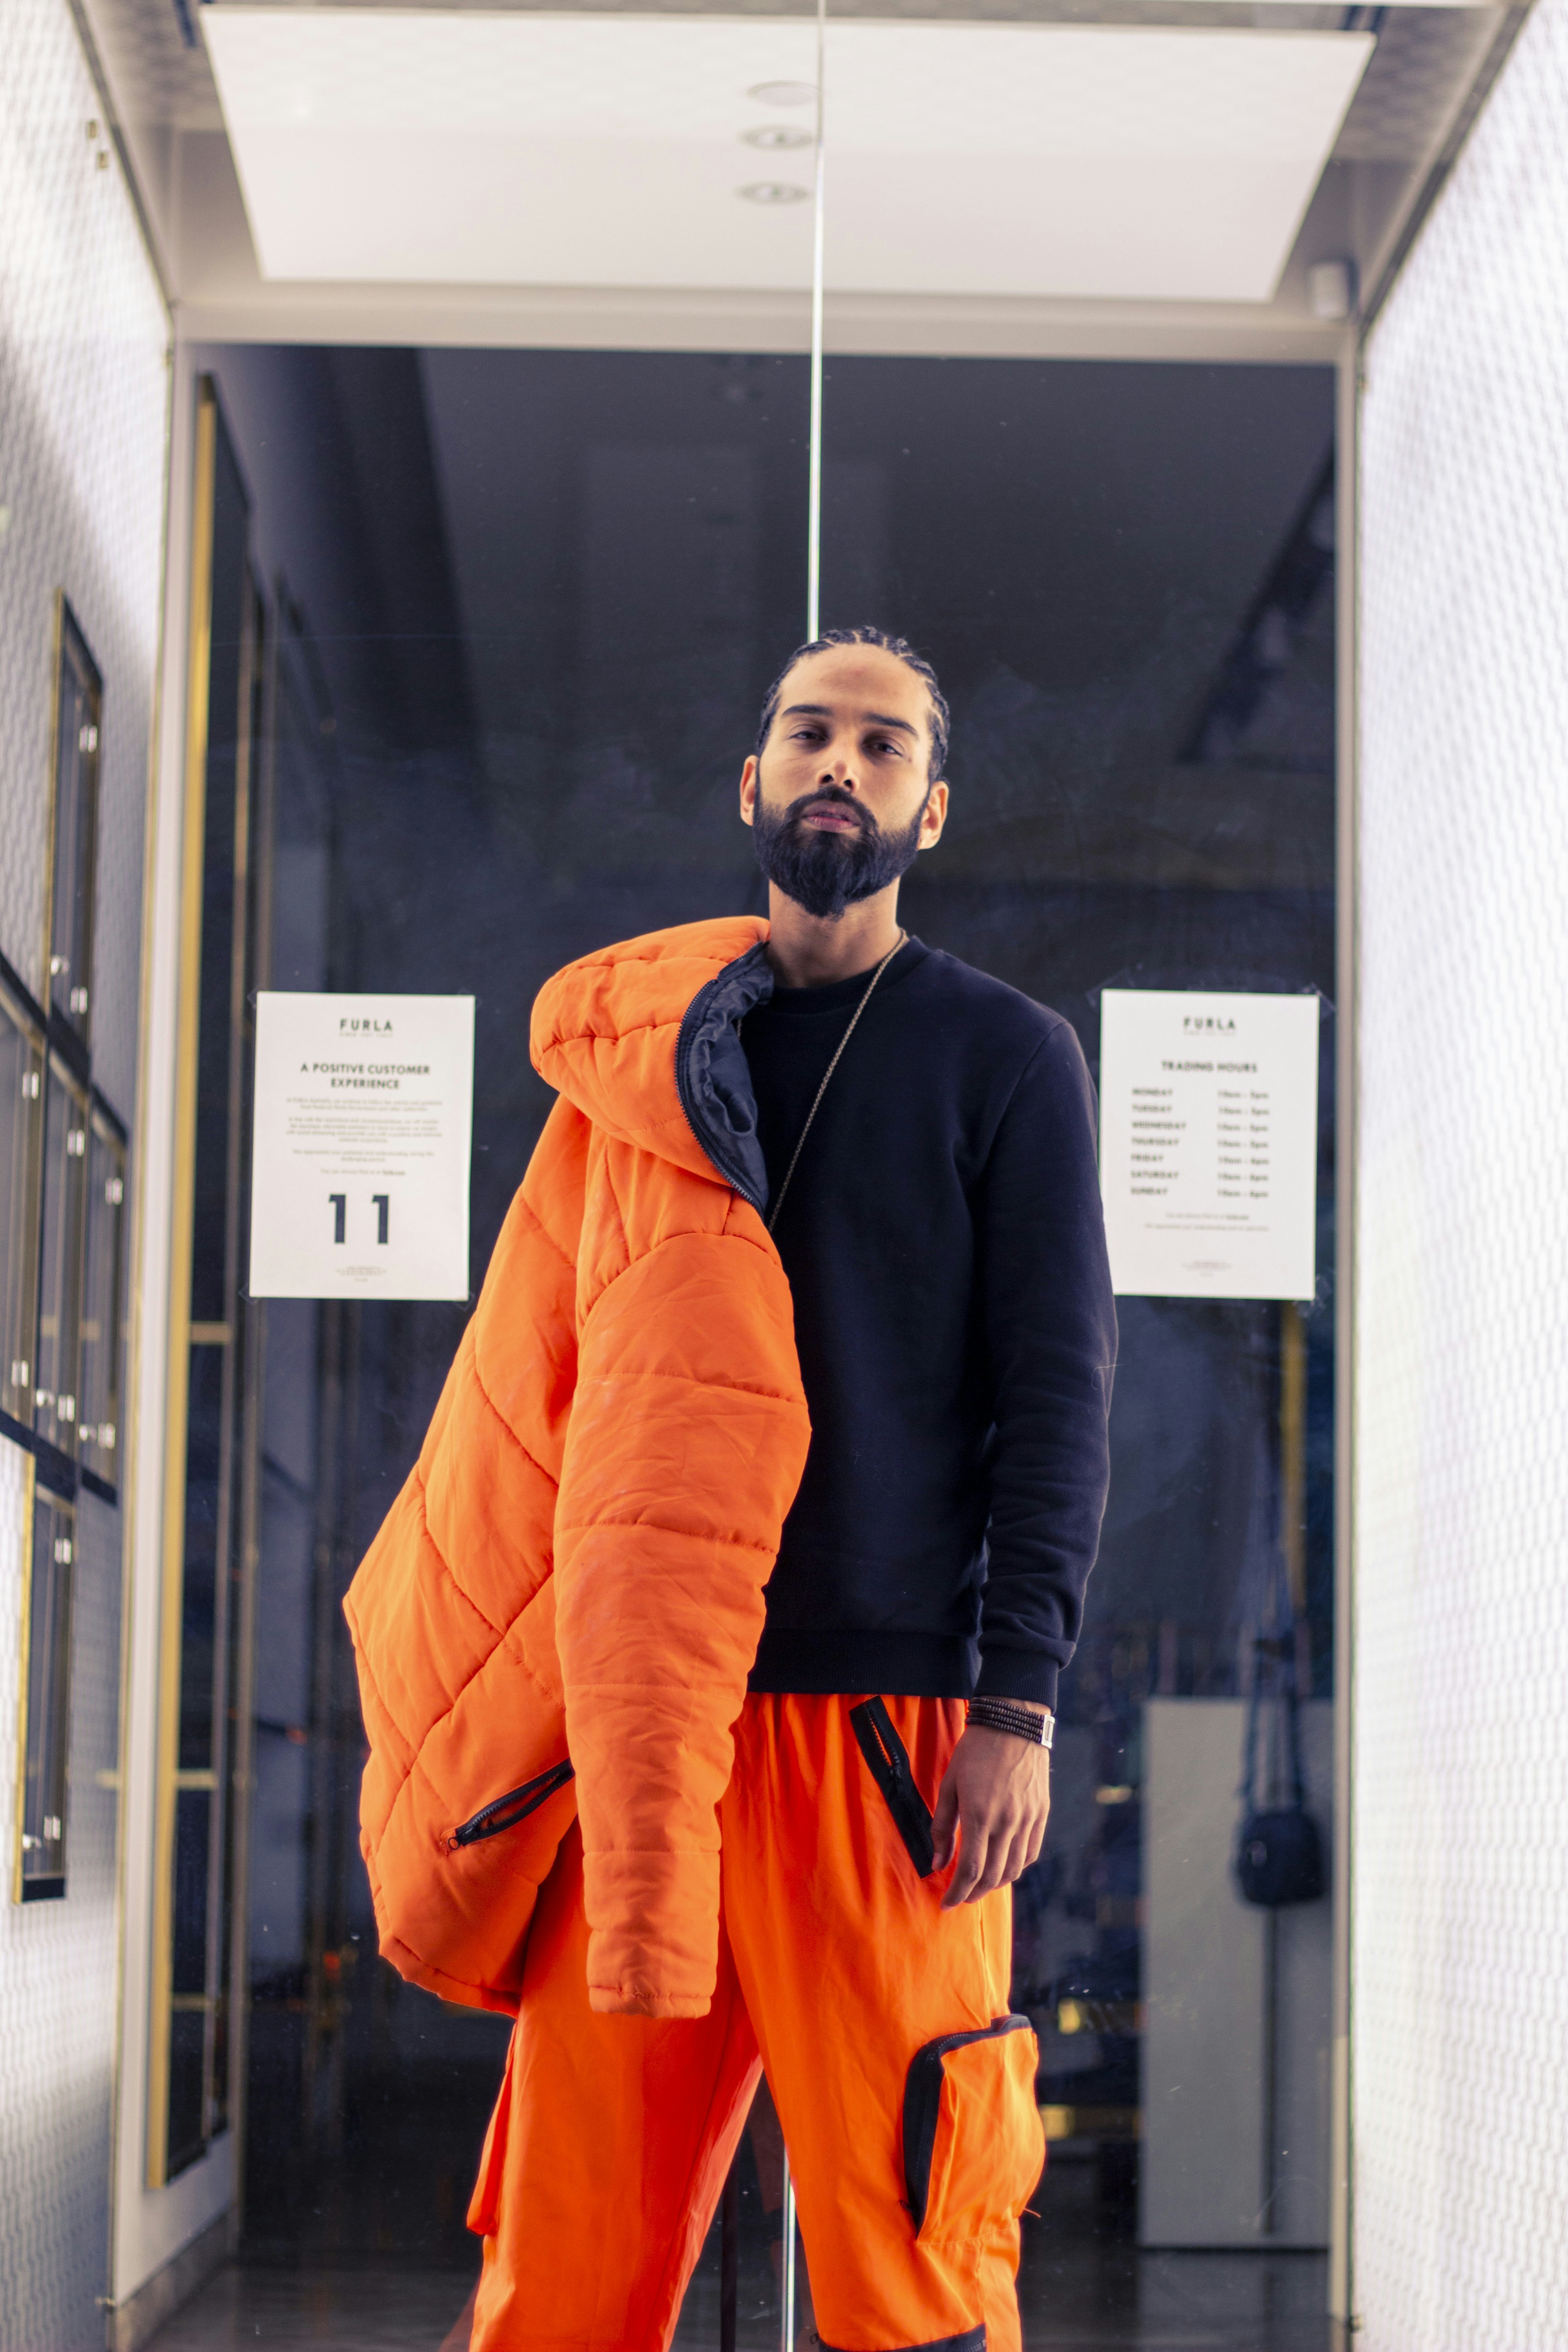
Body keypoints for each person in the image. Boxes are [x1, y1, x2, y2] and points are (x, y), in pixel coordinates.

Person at [346, 627, 1117, 2352]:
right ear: (751, 785)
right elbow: (522, 1408)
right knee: (564, 2253)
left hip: (885, 1734)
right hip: (638, 1735)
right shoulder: (637, 1080)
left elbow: (1057, 1407)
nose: (843, 764)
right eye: (810, 733)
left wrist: (1022, 1702)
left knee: (914, 2253)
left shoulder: (1008, 1060)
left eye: (885, 745)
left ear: (933, 809)